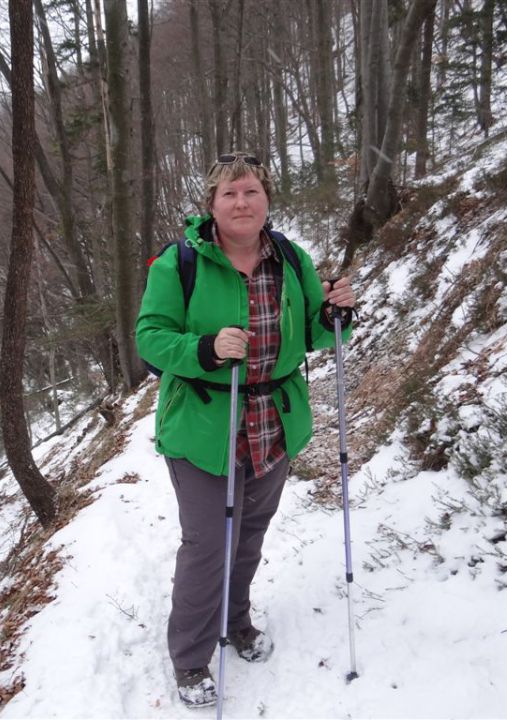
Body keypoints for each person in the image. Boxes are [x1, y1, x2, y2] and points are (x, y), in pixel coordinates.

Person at [135, 152, 356, 708]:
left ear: (267, 199)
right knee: (208, 544)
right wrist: (204, 349)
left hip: (272, 424)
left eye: (251, 191)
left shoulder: (289, 257)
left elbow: (313, 333)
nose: (241, 202)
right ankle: (189, 658)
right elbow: (149, 339)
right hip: (203, 426)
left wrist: (337, 315)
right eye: (229, 193)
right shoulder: (177, 263)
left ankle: (235, 623)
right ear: (211, 204)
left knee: (250, 534)